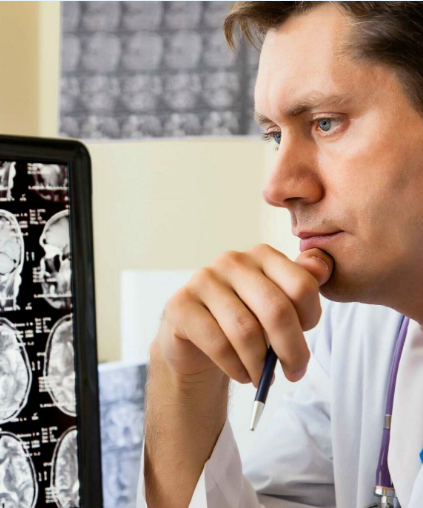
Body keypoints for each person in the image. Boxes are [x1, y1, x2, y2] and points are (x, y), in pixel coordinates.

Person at [136, 2, 423, 507]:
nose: (277, 187)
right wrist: (181, 381)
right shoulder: (355, 329)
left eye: (325, 123)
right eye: (274, 134)